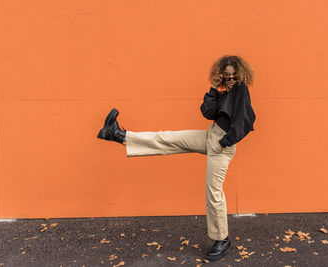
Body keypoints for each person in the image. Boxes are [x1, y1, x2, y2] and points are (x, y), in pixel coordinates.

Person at [97, 55, 256, 262]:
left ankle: (222, 240)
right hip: (211, 135)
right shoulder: (224, 91)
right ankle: (119, 135)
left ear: (241, 75)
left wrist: (226, 141)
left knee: (213, 192)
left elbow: (247, 120)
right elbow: (207, 112)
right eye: (227, 77)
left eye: (234, 76)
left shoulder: (241, 90)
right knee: (169, 138)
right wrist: (214, 87)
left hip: (221, 145)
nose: (231, 80)